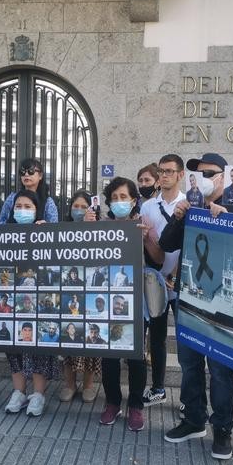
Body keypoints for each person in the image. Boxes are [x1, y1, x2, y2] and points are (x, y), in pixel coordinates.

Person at [160, 152, 233, 461]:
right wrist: (179, 217)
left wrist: (230, 217)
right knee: (190, 364)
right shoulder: (191, 209)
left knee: (220, 370)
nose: (204, 178)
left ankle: (223, 429)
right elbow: (167, 244)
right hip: (189, 300)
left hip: (222, 306)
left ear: (223, 176)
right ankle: (193, 420)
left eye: (210, 173)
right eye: (199, 173)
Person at [86, 177, 148, 431]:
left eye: (124, 197)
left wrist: (146, 238)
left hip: (136, 300)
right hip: (107, 301)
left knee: (136, 357)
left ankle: (135, 405)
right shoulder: (101, 225)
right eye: (115, 198)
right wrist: (85, 228)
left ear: (134, 200)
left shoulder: (142, 224)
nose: (119, 202)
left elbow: (157, 257)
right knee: (109, 355)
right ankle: (112, 402)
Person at [3, 190, 60, 417]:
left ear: (37, 210)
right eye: (18, 206)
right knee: (14, 347)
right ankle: (18, 392)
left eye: (28, 207)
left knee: (38, 347)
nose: (22, 210)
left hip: (40, 303)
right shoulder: (3, 233)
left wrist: (49, 234)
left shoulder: (46, 231)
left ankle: (38, 395)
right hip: (14, 301)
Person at [139, 154, 186, 408]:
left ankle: (189, 398)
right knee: (156, 338)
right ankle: (157, 388)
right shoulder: (147, 207)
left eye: (169, 171)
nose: (164, 175)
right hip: (155, 281)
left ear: (180, 175)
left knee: (185, 341)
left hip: (180, 283)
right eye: (161, 171)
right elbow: (147, 247)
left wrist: (176, 274)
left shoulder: (189, 205)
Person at [61, 190, 102, 404]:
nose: (78, 210)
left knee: (89, 340)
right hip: (70, 296)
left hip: (91, 295)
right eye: (74, 206)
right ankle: (68, 383)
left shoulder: (101, 227)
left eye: (82, 206)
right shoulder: (62, 229)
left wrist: (91, 227)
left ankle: (88, 384)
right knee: (69, 338)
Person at [0, 158, 58, 224]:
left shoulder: (48, 202)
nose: (26, 174)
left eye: (31, 171)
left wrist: (45, 227)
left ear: (40, 176)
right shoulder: (11, 198)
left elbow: (54, 228)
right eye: (22, 172)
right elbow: (0, 223)